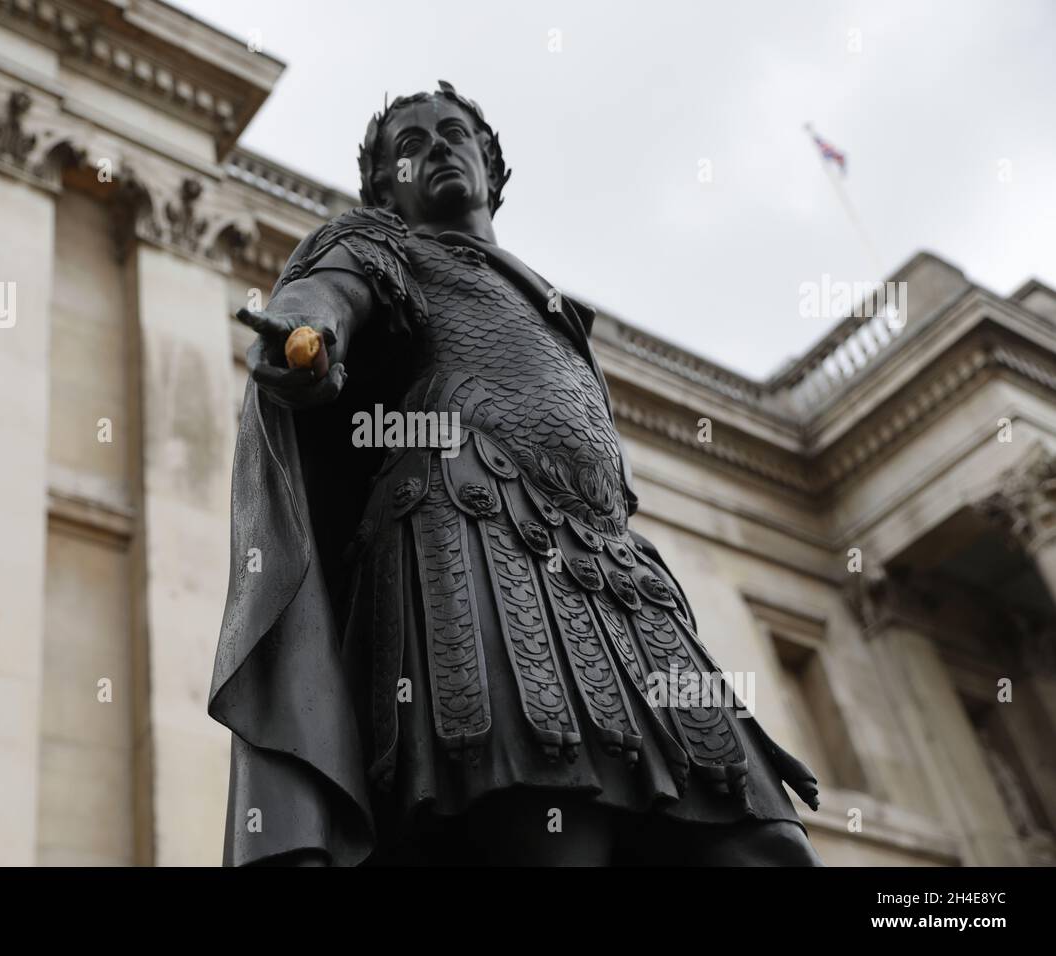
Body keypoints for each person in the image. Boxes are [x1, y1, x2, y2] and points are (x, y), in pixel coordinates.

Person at [211, 81, 822, 866]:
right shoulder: (383, 246)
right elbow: (324, 294)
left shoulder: (553, 306)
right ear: (383, 189)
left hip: (620, 578)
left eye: (452, 131)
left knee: (768, 847)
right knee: (559, 837)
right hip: (476, 537)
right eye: (409, 143)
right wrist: (306, 334)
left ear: (491, 166)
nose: (433, 146)